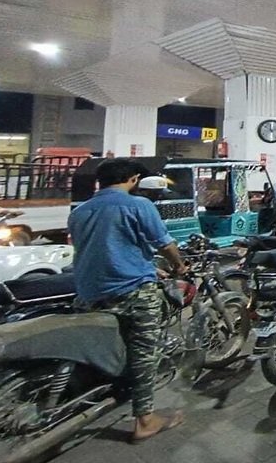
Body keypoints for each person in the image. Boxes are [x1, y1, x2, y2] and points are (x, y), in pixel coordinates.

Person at [68, 158, 187, 443]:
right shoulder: (138, 205)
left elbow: (105, 246)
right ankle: (145, 420)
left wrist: (149, 265)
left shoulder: (80, 210)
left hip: (87, 292)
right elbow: (164, 243)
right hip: (131, 290)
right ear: (133, 179)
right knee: (145, 353)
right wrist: (179, 265)